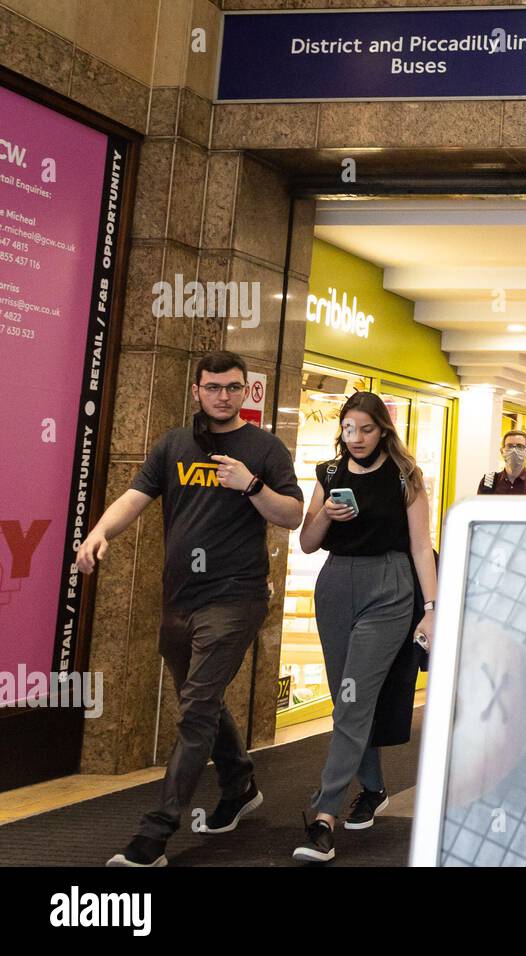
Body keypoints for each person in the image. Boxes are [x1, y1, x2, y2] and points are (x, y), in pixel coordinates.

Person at [77, 351, 304, 867]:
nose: (223, 395)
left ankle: (154, 835)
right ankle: (240, 783)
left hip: (236, 597)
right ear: (197, 390)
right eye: (214, 387)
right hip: (179, 599)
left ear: (246, 392)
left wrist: (250, 484)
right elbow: (135, 496)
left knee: (196, 707)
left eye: (233, 387)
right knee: (201, 700)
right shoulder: (175, 444)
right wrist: (98, 532)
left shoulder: (264, 449)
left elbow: (291, 515)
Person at [292, 392, 439, 863]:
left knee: (353, 703)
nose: (356, 439)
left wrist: (432, 607)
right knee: (347, 698)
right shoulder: (329, 474)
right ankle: (373, 786)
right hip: (335, 585)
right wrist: (323, 517)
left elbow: (421, 547)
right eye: (349, 429)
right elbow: (308, 543)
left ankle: (324, 815)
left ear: (383, 430)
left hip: (389, 589)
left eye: (366, 429)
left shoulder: (405, 477)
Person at [477, 429, 526, 495]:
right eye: (509, 446)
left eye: (520, 446)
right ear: (502, 452)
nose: (514, 450)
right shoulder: (488, 483)